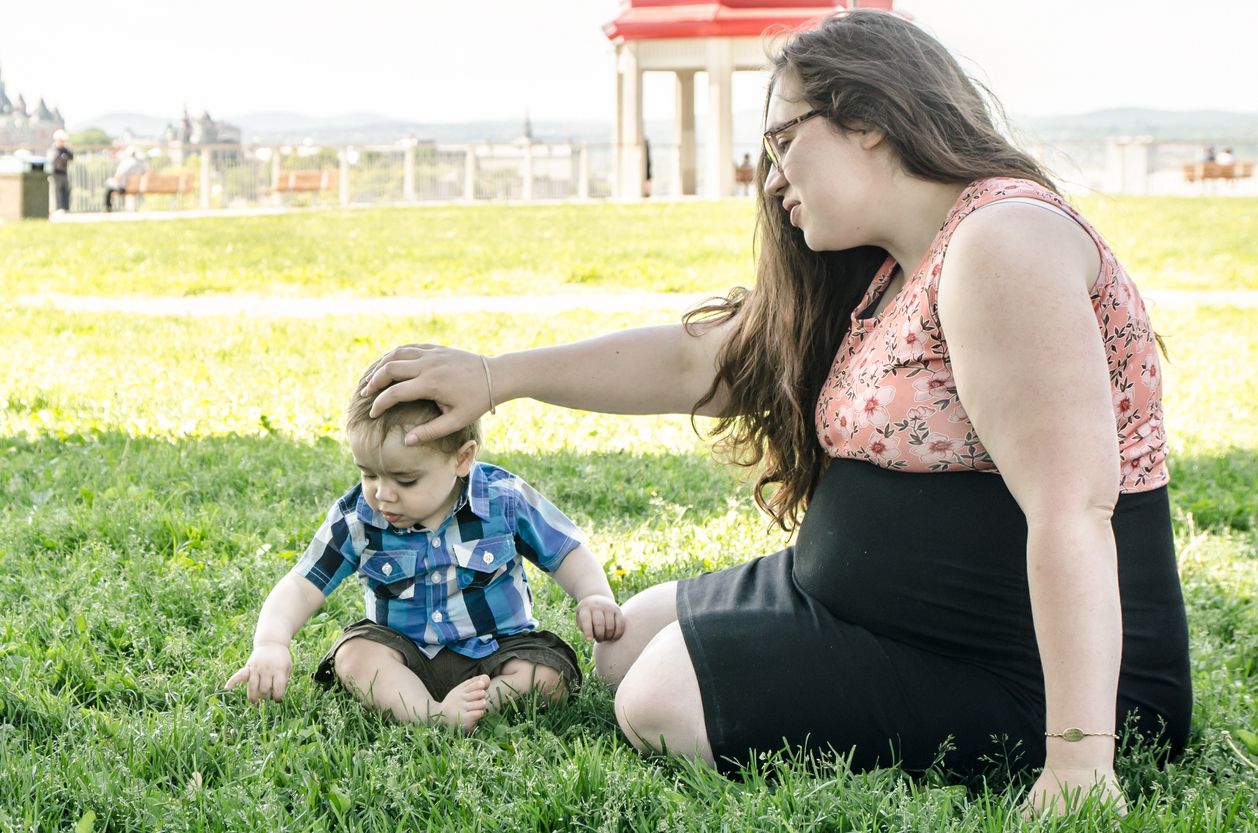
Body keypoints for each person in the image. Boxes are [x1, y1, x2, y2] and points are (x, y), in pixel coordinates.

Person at [359, 10, 1190, 816]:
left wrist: (1080, 756)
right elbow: (699, 359)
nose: (773, 178)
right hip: (860, 605)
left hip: (1010, 663)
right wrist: (497, 377)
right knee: (623, 645)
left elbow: (1073, 508)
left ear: (868, 118)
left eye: (785, 141)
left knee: (657, 699)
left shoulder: (1002, 239)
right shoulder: (893, 262)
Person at [225, 356, 625, 731]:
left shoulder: (503, 499)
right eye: (369, 475)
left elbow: (565, 549)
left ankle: (483, 703)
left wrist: (593, 594)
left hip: (498, 652)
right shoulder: (358, 518)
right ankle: (428, 714)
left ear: (462, 459)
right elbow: (302, 583)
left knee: (548, 675)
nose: (383, 495)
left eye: (405, 480)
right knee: (356, 656)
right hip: (404, 654)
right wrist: (272, 643)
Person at [103, 148, 148, 212]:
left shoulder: (126, 163)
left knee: (109, 185)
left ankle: (108, 207)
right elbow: (147, 174)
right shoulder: (141, 163)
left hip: (124, 188)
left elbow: (118, 176)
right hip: (138, 188)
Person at [46, 129, 73, 213]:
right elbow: (53, 159)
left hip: (64, 172)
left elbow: (71, 157)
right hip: (56, 173)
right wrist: (61, 157)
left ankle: (66, 208)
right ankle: (58, 208)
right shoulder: (53, 149)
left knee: (66, 191)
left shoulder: (66, 149)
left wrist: (65, 157)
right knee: (57, 191)